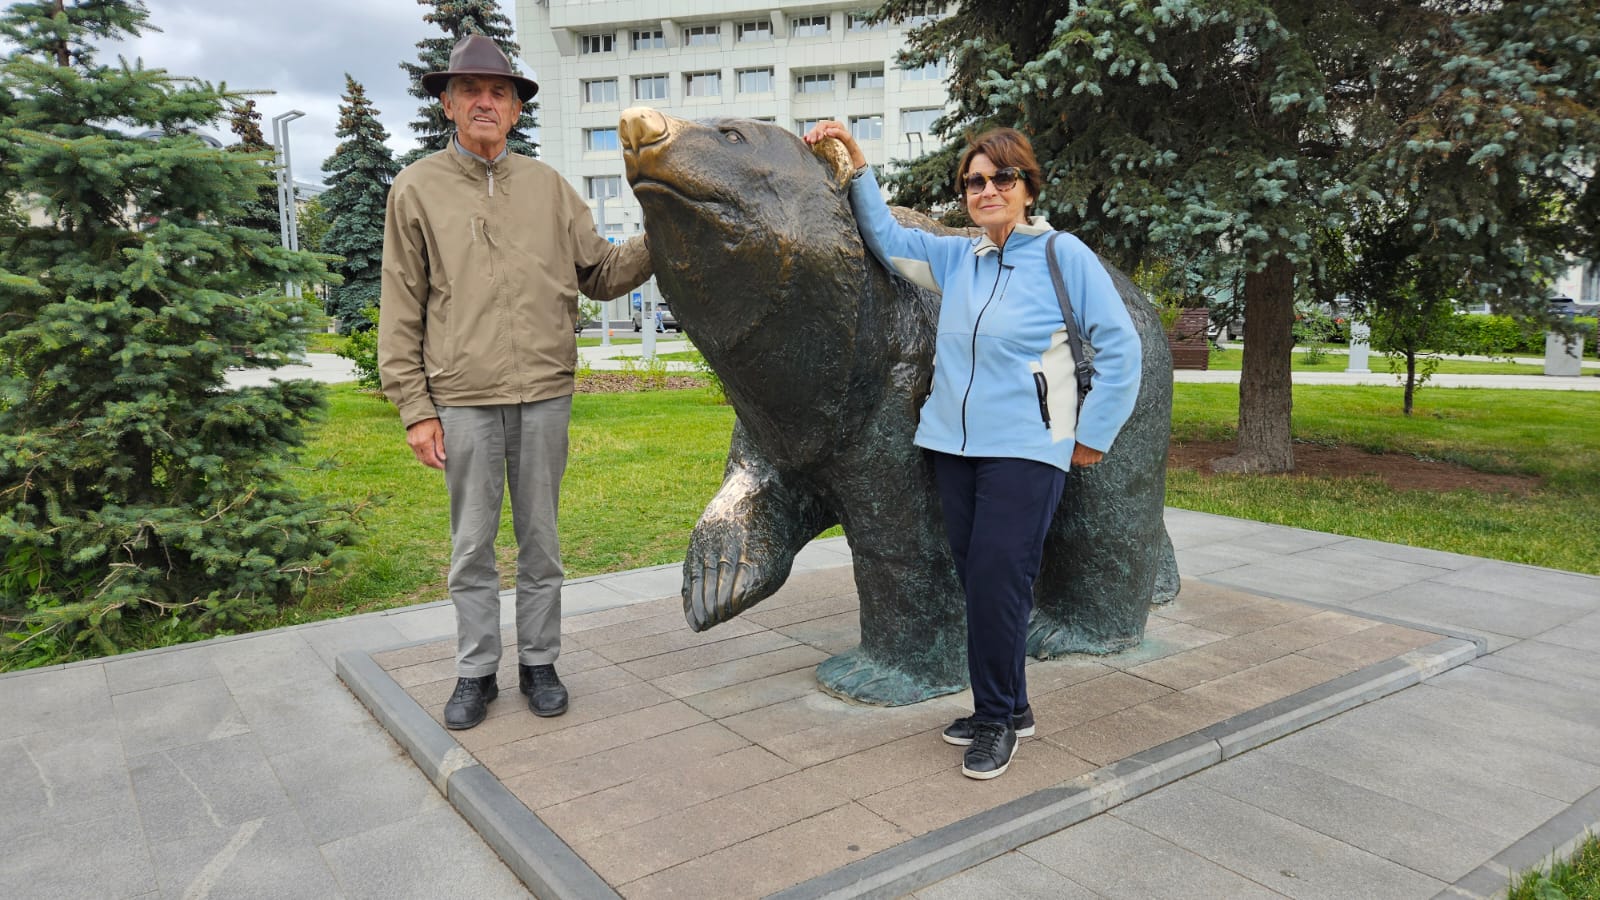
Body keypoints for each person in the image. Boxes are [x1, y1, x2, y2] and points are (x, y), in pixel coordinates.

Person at [803, 121, 1141, 780]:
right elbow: (890, 240)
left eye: (1000, 178)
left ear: (1026, 185)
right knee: (983, 583)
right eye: (975, 181)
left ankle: (993, 721)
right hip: (952, 449)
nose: (987, 190)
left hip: (1027, 448)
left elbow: (1121, 347)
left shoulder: (1061, 255)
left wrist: (1094, 435)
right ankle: (1012, 706)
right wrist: (861, 167)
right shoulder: (963, 258)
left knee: (996, 584)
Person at [379, 35, 652, 730]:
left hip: (545, 394)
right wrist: (416, 407)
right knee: (472, 547)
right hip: (463, 398)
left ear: (516, 110)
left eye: (498, 92)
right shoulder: (416, 189)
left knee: (542, 542)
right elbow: (401, 306)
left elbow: (602, 273)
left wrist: (663, 234)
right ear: (447, 103)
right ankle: (476, 672)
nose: (484, 102)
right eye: (470, 90)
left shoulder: (550, 189)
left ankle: (539, 662)